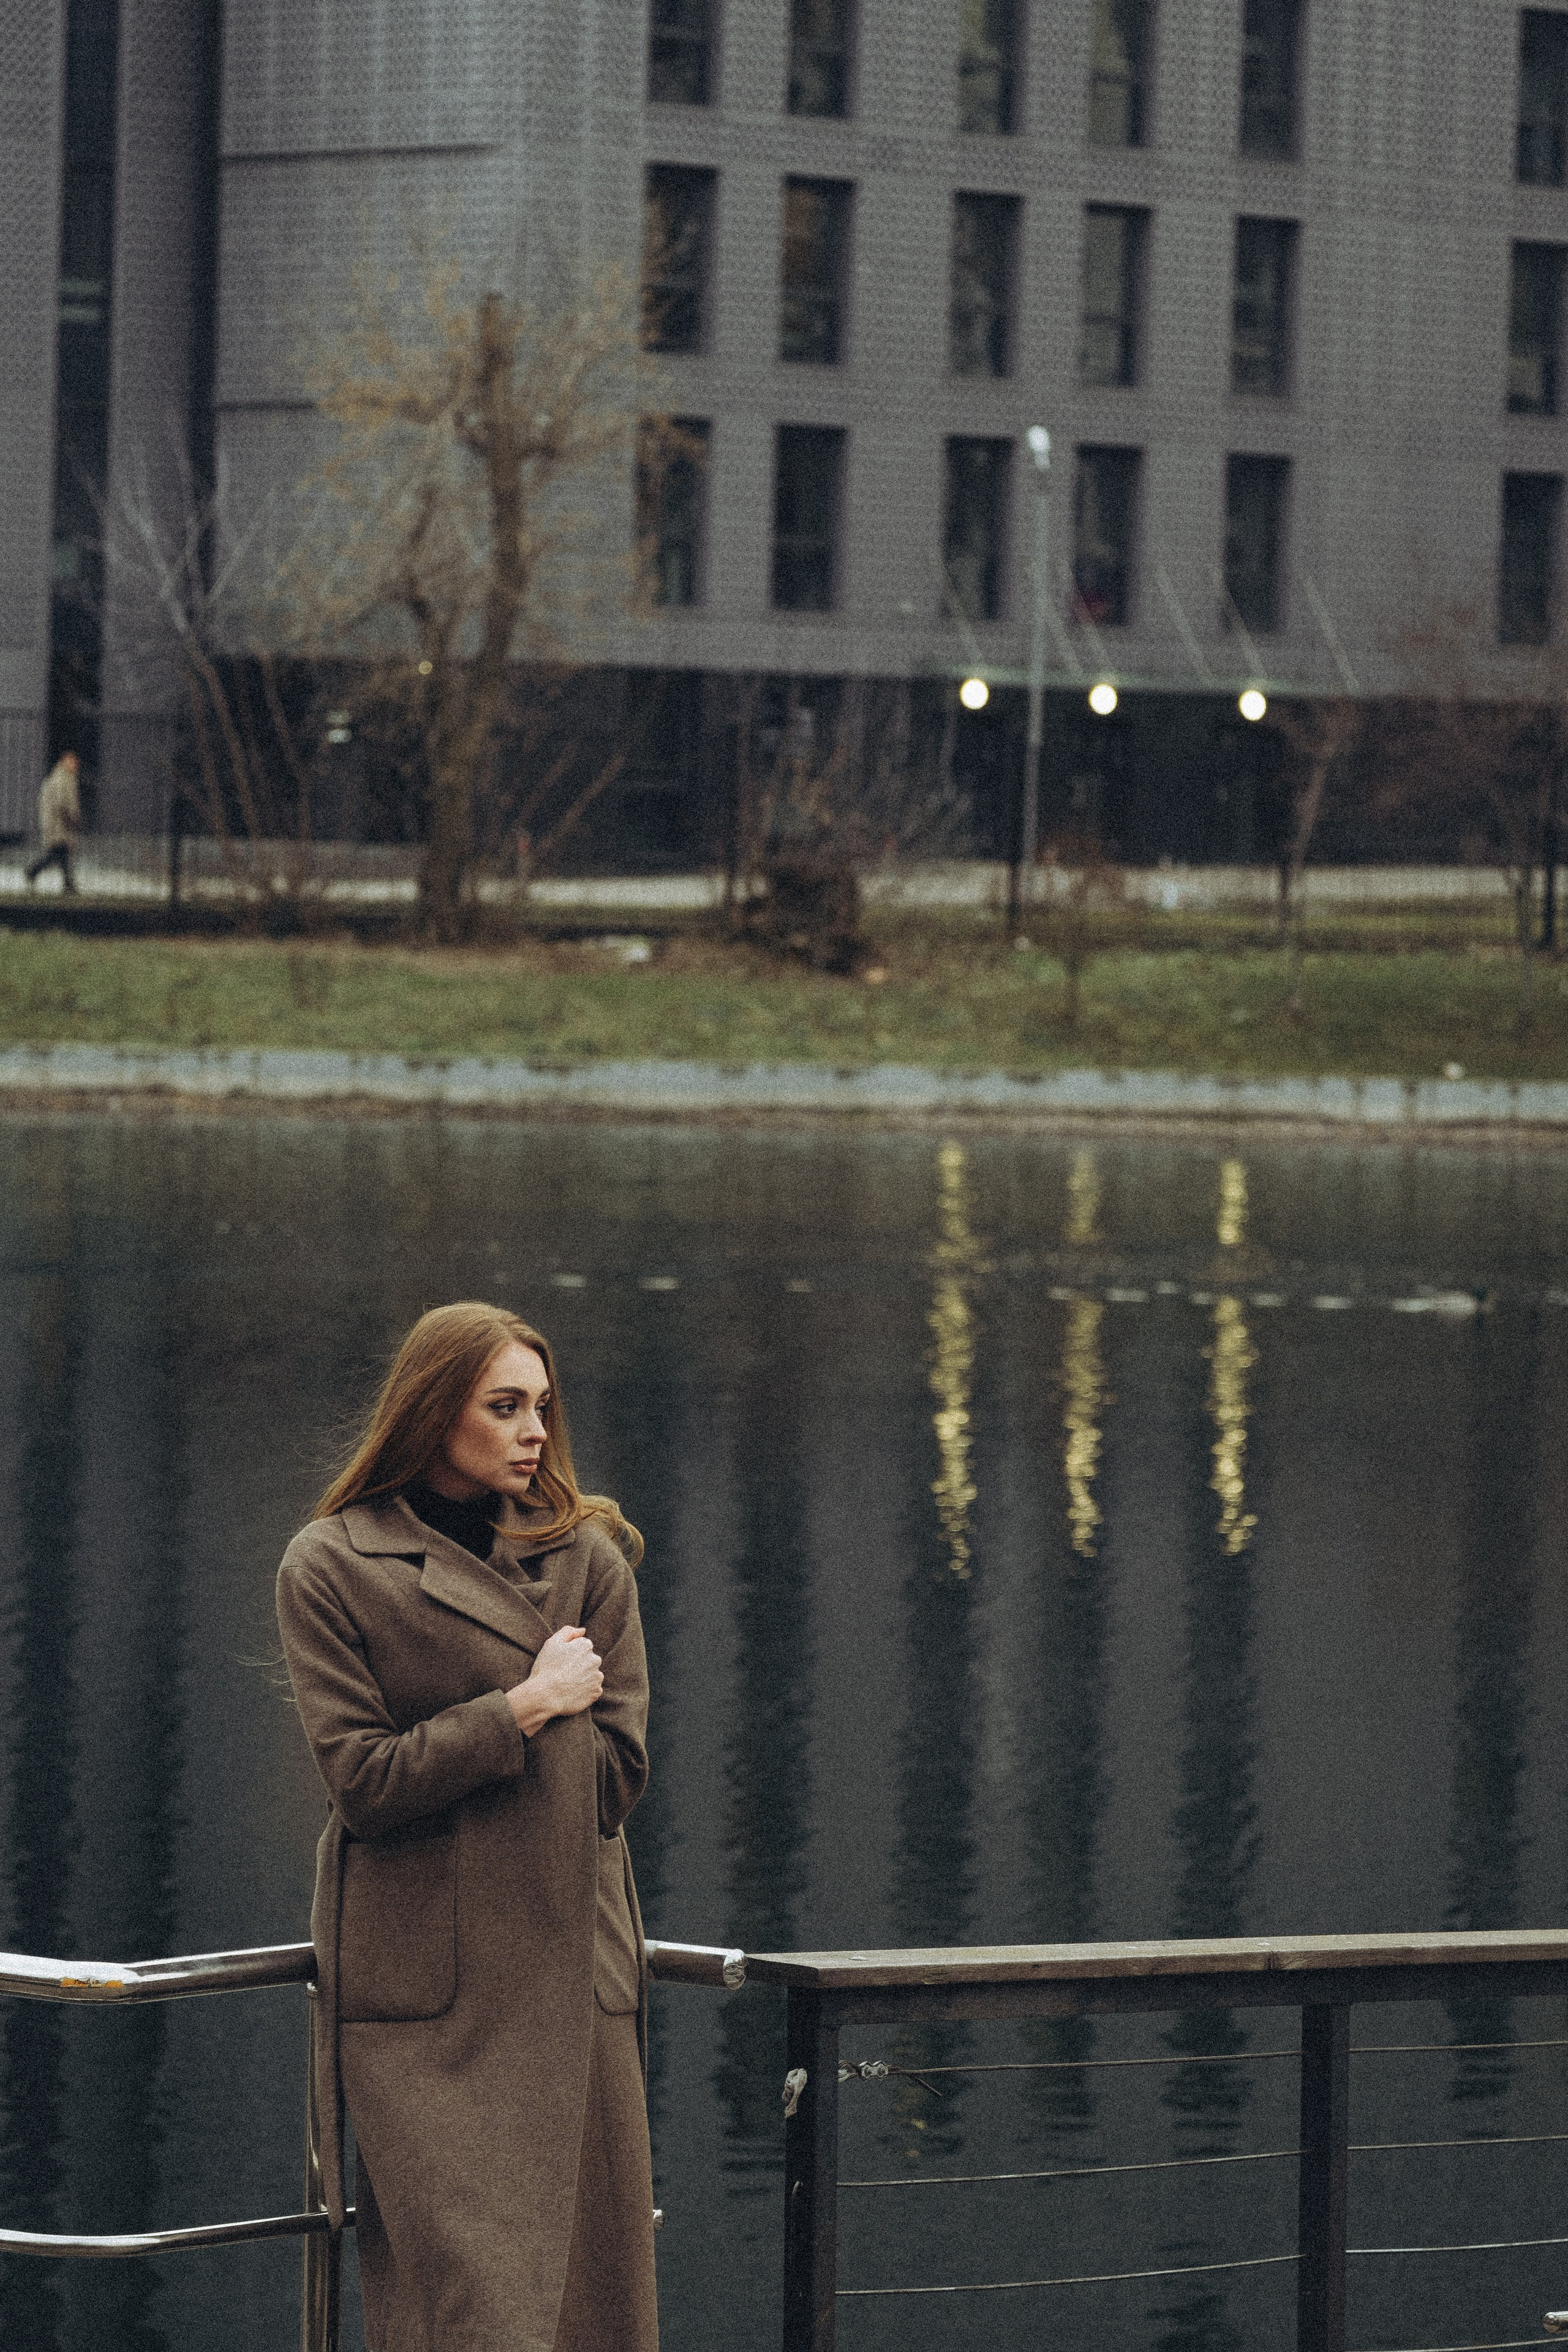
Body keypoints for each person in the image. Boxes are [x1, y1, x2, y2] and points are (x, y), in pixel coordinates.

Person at [276, 1302, 657, 2352]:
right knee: (464, 2311)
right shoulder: (331, 1564)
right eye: (504, 1407)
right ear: (433, 1409)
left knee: (591, 2309)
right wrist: (525, 1708)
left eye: (542, 1407)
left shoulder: (587, 1561)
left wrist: (521, 1732)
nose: (535, 1432)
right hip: (425, 2007)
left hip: (572, 1974)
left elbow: (617, 1780)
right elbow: (364, 1783)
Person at [27, 750, 81, 891]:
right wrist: (73, 819)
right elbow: (64, 803)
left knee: (61, 855)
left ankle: (68, 884)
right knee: (57, 854)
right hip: (59, 824)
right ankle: (32, 871)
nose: (75, 765)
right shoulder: (63, 779)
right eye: (72, 761)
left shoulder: (58, 778)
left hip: (56, 824)